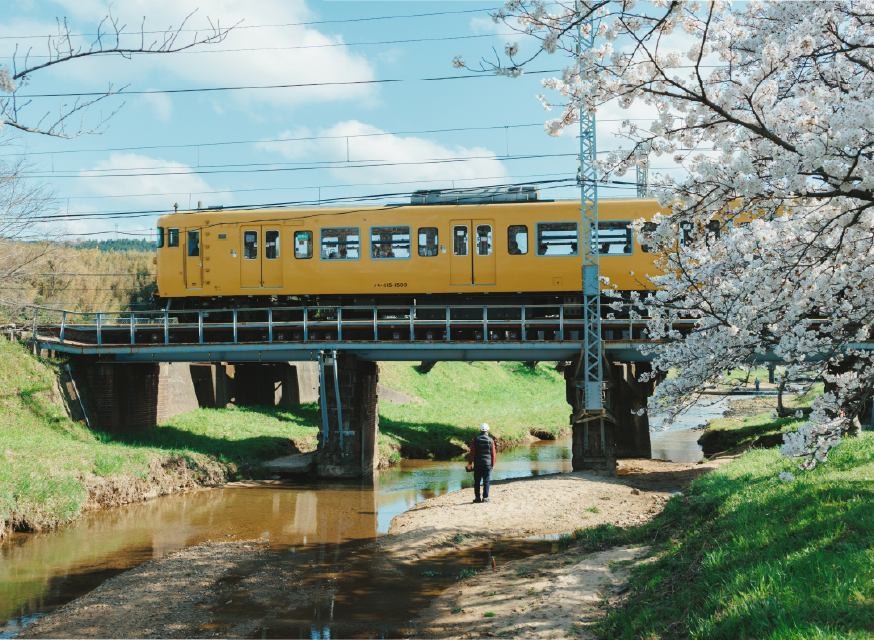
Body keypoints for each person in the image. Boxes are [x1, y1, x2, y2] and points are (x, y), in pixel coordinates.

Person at [466, 423, 497, 503]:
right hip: (487, 464)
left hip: (478, 464)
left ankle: (477, 498)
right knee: (486, 481)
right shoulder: (490, 440)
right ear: (488, 430)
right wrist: (493, 464)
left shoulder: (475, 439)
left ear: (480, 430)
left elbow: (472, 453)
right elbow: (493, 454)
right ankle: (485, 498)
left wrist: (470, 463)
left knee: (477, 481)